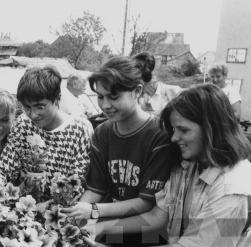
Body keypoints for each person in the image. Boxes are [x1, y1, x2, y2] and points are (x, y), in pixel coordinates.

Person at [75, 84, 251, 247]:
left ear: (212, 128)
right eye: (173, 129)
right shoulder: (189, 164)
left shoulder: (233, 188)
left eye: (183, 130)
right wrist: (99, 227)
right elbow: (155, 217)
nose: (174, 138)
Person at [62, 55, 172, 222]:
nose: (105, 105)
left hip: (141, 231)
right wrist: (74, 215)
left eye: (114, 97)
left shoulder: (159, 134)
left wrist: (93, 210)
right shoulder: (102, 132)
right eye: (100, 96)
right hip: (104, 223)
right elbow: (96, 189)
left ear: (137, 91)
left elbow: (146, 202)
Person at [0, 65, 91, 199]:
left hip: (60, 212)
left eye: (40, 107)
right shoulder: (23, 123)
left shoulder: (80, 130)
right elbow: (4, 169)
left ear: (57, 99)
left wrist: (49, 206)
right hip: (24, 208)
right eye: (27, 107)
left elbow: (77, 184)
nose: (33, 115)